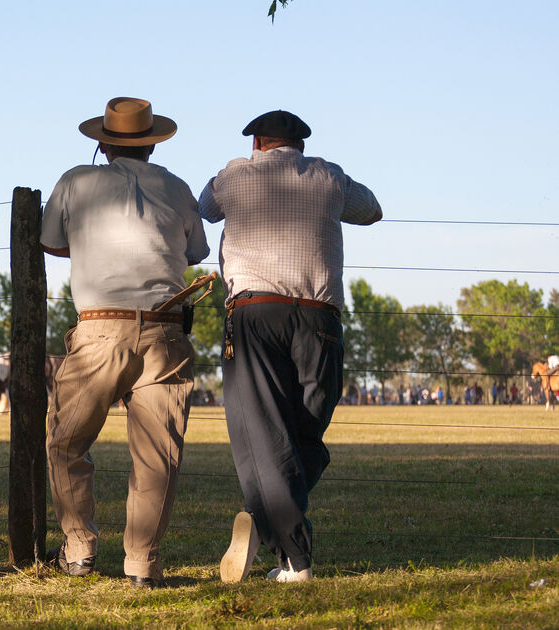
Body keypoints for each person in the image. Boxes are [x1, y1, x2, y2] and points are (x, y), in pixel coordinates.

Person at [201, 110, 382, 584]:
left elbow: (205, 206)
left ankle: (286, 548)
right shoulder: (329, 175)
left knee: (263, 433)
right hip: (320, 319)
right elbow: (373, 210)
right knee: (305, 434)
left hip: (256, 314)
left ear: (258, 142)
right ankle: (277, 530)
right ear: (300, 145)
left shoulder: (235, 174)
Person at [41, 97, 209, 588]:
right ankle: (142, 565)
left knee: (65, 442)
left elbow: (52, 242)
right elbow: (194, 251)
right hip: (166, 329)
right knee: (158, 455)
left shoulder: (75, 180)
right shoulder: (176, 187)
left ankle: (78, 549)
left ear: (102, 143)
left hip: (99, 329)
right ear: (153, 143)